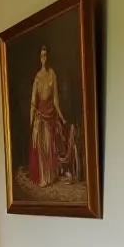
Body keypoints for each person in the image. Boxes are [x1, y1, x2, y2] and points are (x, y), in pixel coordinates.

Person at [28, 45, 78, 186]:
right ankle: (43, 178)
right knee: (41, 146)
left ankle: (50, 176)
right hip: (40, 116)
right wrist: (31, 121)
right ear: (40, 58)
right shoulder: (37, 78)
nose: (44, 58)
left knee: (50, 145)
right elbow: (33, 101)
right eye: (42, 56)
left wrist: (62, 118)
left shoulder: (52, 74)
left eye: (46, 55)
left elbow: (55, 99)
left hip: (50, 116)